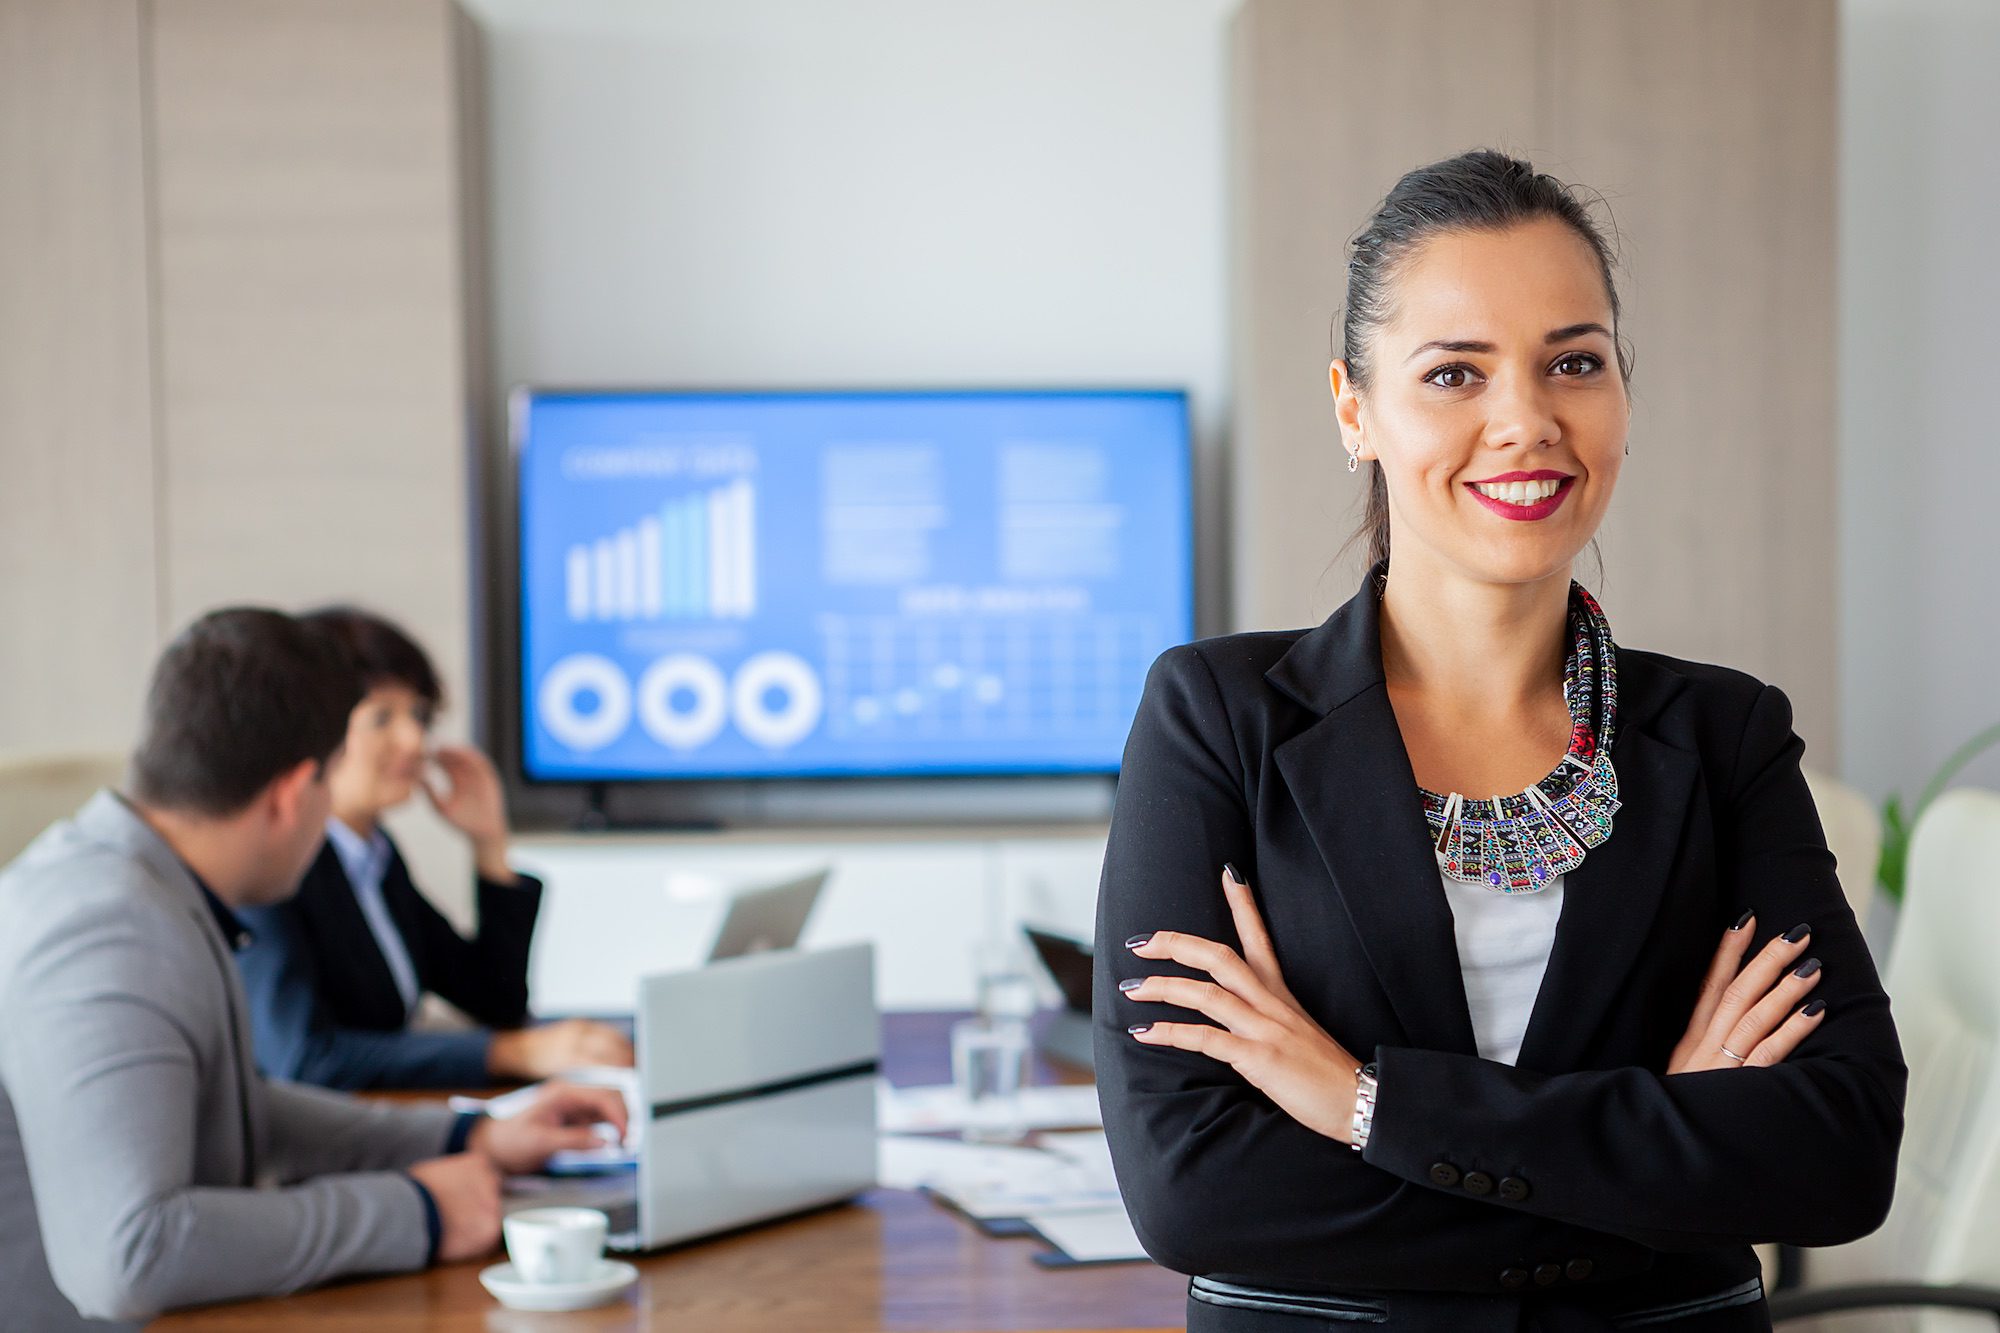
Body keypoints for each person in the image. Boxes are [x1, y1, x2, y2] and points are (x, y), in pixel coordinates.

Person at [1093, 150, 1905, 1332]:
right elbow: (1191, 1191)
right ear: (1353, 409)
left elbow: (1840, 1153)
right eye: (1451, 373)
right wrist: (1655, 1145)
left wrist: (1362, 1104)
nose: (1524, 421)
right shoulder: (1217, 718)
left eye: (1572, 362)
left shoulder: (1723, 736)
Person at [0, 609, 628, 1331]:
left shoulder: (147, 885)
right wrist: (417, 1211)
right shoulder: (108, 930)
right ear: (294, 794)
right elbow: (133, 1255)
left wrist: (472, 1135)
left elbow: (234, 1105)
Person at [234, 606, 631, 1089]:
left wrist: (489, 843)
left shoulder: (373, 856)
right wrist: (510, 1053)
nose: (414, 740)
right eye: (382, 717)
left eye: (419, 715)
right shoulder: (274, 868)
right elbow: (306, 1059)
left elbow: (495, 1001)